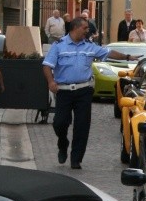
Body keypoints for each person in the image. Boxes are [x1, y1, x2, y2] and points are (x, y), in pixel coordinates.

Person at [42, 17, 127, 169]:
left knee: (82, 126)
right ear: (75, 28)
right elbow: (47, 66)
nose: (88, 31)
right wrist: (50, 82)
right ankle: (63, 143)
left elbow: (108, 52)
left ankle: (76, 159)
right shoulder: (58, 46)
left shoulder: (89, 46)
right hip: (64, 91)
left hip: (84, 91)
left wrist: (127, 57)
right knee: (59, 123)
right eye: (85, 28)